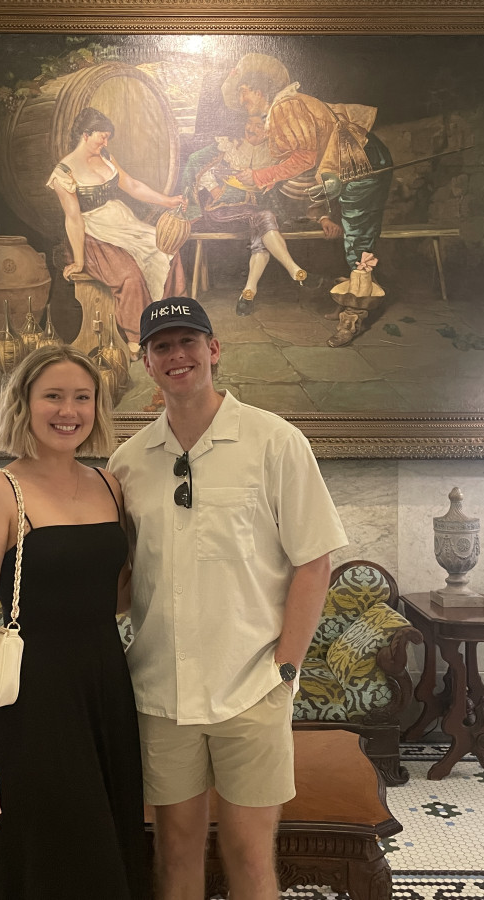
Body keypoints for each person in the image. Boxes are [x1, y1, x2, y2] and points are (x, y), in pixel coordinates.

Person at [108, 297, 349, 899]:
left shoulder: (275, 441)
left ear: (214, 350)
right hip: (161, 693)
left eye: (188, 341)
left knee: (249, 855)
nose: (177, 355)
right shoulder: (128, 463)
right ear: (146, 362)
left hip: (252, 687)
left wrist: (285, 669)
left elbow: (314, 561)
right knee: (175, 853)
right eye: (162, 346)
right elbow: (124, 578)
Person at [0, 345, 149, 899]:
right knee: (52, 855)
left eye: (82, 397)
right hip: (32, 701)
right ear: (23, 404)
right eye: (53, 396)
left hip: (106, 690)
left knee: (108, 849)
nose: (69, 410)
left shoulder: (109, 485)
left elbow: (115, 595)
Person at [221, 53, 394, 347]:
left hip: (360, 159)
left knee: (357, 234)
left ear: (259, 90)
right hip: (343, 164)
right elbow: (306, 162)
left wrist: (261, 175)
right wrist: (272, 179)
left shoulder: (285, 106)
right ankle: (352, 298)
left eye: (243, 91)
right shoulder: (283, 107)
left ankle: (353, 315)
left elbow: (305, 158)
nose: (241, 99)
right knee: (351, 233)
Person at [49, 106, 187, 352]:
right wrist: (79, 261)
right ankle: (138, 336)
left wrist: (168, 201)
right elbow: (73, 218)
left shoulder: (106, 157)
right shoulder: (64, 171)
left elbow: (132, 185)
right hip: (90, 233)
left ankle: (169, 318)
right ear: (85, 135)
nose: (106, 142)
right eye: (102, 136)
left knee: (166, 249)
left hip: (121, 222)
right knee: (129, 274)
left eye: (108, 137)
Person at [180, 115, 308, 317]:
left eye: (258, 125)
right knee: (264, 218)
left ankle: (248, 292)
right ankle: (293, 269)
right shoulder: (229, 144)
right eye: (249, 123)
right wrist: (214, 190)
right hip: (222, 211)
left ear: (268, 131)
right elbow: (195, 160)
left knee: (262, 227)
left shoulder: (274, 153)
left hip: (253, 213)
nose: (251, 128)